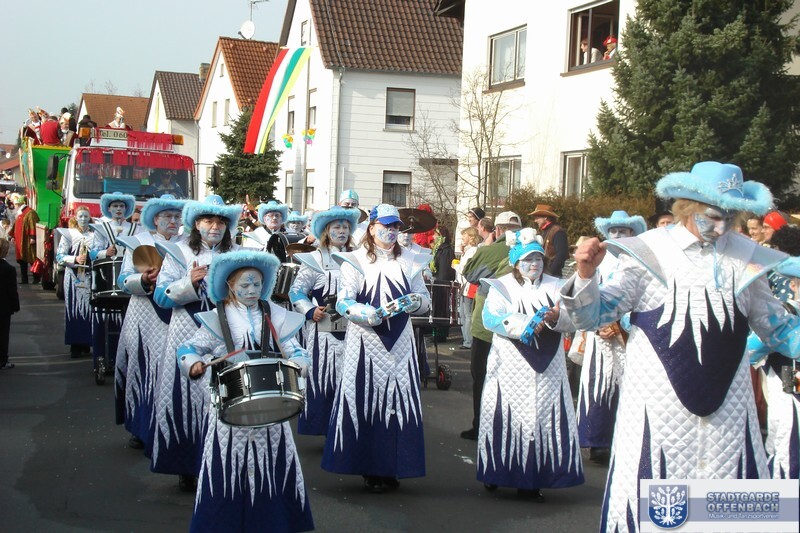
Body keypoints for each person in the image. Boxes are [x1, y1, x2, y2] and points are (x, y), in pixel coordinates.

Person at [562, 161, 800, 532]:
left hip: (728, 415)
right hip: (657, 409)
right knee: (655, 512)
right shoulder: (648, 252)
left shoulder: (747, 257)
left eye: (730, 217)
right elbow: (593, 316)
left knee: (730, 513)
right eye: (713, 216)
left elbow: (778, 328)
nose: (720, 226)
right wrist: (586, 275)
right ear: (687, 207)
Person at [177, 251, 314, 532]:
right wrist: (192, 364)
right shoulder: (218, 317)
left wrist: (300, 363)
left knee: (274, 461)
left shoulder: (274, 315)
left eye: (257, 284)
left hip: (272, 406)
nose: (252, 290)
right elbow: (188, 348)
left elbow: (296, 350)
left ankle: (275, 523)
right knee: (225, 461)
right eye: (245, 285)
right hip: (229, 406)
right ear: (230, 285)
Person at [322, 204, 431, 493]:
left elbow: (424, 299)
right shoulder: (355, 260)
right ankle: (369, 468)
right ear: (371, 228)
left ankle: (392, 467)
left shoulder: (411, 260)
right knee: (365, 398)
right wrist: (365, 313)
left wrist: (416, 302)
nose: (391, 231)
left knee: (399, 401)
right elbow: (343, 301)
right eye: (386, 225)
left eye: (395, 226)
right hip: (365, 340)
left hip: (401, 341)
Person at [478, 228, 583, 498]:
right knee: (507, 415)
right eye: (527, 260)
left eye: (537, 259)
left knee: (543, 418)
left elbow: (574, 320)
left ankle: (534, 480)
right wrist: (525, 324)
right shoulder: (502, 286)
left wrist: (556, 317)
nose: (534, 264)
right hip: (510, 364)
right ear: (516, 263)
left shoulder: (558, 286)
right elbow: (490, 319)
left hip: (549, 366)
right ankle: (497, 472)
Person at [152, 195, 240, 491]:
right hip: (185, 331)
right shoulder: (177, 252)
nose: (215, 227)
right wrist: (188, 283)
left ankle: (223, 463)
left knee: (225, 396)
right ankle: (186, 466)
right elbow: (161, 297)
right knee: (185, 397)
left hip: (226, 334)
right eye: (208, 221)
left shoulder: (238, 254)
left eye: (220, 222)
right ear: (195, 224)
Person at [114, 194, 186, 452]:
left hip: (176, 315)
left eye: (177, 216)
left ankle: (169, 428)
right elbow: (123, 280)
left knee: (170, 373)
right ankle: (140, 427)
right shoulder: (139, 242)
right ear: (155, 219)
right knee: (143, 369)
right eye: (167, 216)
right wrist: (143, 280)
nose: (173, 221)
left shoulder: (187, 244)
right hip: (144, 316)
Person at [575, 211, 646, 465]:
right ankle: (598, 441)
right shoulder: (600, 262)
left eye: (623, 231)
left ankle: (627, 440)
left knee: (628, 387)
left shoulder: (640, 262)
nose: (617, 236)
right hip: (601, 336)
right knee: (600, 384)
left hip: (630, 336)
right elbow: (588, 296)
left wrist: (623, 324)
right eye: (613, 231)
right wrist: (599, 326)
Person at [288, 206, 360, 435]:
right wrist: (310, 311)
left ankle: (349, 430)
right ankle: (327, 431)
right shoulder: (315, 259)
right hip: (324, 332)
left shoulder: (359, 258)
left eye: (346, 227)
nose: (342, 231)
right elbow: (296, 291)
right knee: (324, 379)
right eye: (337, 227)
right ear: (327, 231)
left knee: (352, 380)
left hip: (355, 330)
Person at [460, 211, 522, 440]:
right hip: (518, 324)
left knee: (482, 375)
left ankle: (481, 426)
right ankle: (511, 428)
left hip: (486, 326)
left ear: (497, 230)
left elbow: (469, 273)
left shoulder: (491, 250)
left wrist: (487, 246)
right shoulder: (532, 251)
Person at [89, 192, 143, 376]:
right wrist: (105, 252)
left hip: (130, 280)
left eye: (121, 206)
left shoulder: (136, 228)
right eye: (115, 206)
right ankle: (104, 358)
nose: (118, 209)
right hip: (107, 280)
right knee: (104, 323)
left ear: (127, 209)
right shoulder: (101, 228)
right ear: (109, 209)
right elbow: (92, 253)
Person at [56, 206, 95, 358]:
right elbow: (60, 256)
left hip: (90, 277)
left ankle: (87, 342)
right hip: (73, 278)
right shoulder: (69, 234)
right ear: (75, 218)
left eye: (86, 216)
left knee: (90, 310)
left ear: (90, 218)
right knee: (74, 309)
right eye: (80, 216)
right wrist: (75, 259)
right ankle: (75, 345)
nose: (83, 219)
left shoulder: (95, 234)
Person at [454, 227, 481, 350]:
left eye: (464, 235)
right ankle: (466, 339)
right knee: (463, 314)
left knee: (468, 314)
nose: (462, 238)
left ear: (471, 237)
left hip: (469, 286)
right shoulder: (468, 251)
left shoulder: (473, 251)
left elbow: (466, 269)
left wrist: (456, 266)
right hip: (464, 286)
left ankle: (469, 341)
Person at [528, 204, 569, 278]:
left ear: (545, 217)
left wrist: (550, 272)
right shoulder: (542, 231)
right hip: (542, 274)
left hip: (553, 276)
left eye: (537, 218)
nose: (535, 220)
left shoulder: (558, 232)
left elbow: (562, 255)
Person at [431, 226, 456, 342]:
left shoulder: (446, 250)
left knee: (441, 310)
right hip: (437, 282)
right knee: (437, 309)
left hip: (442, 284)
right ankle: (436, 333)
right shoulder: (439, 249)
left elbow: (445, 270)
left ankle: (440, 335)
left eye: (436, 235)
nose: (433, 237)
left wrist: (441, 283)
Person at [0, 239, 19, 370]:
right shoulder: (9, 269)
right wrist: (15, 305)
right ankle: (3, 360)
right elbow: (12, 290)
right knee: (3, 334)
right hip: (3, 307)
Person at [13, 196, 39, 285]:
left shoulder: (30, 212)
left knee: (32, 259)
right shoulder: (20, 213)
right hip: (20, 241)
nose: (15, 206)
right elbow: (16, 226)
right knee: (22, 261)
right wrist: (13, 236)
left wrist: (33, 237)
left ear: (20, 204)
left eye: (16, 204)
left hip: (27, 241)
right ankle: (24, 279)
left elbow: (33, 225)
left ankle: (36, 278)